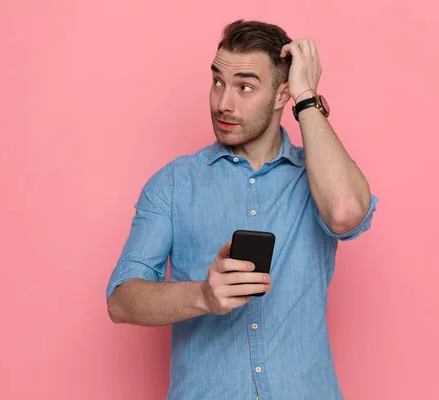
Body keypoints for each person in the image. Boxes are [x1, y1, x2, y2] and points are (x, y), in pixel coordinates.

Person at [105, 19, 379, 400]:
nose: (223, 103)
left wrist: (306, 97)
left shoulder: (317, 178)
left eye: (245, 87)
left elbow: (347, 213)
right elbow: (121, 300)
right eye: (218, 81)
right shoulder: (174, 183)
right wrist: (202, 295)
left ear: (282, 94)